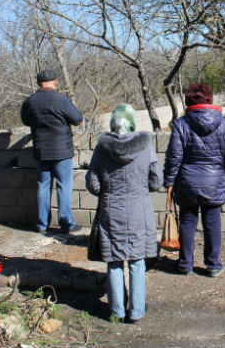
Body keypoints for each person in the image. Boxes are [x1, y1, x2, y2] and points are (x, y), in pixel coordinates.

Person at [85, 104, 162, 323]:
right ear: (132, 122)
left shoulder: (101, 148)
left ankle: (117, 311)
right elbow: (157, 180)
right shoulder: (145, 146)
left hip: (111, 211)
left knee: (114, 261)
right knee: (137, 261)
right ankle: (136, 311)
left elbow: (93, 183)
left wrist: (108, 190)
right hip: (139, 210)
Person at [163, 83, 225, 277]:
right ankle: (213, 265)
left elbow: (174, 157)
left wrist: (169, 182)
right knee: (212, 223)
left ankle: (185, 264)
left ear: (188, 101)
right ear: (209, 100)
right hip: (214, 182)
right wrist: (223, 169)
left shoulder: (181, 124)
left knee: (187, 222)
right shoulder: (224, 123)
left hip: (187, 183)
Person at [21, 69, 83, 233]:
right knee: (64, 186)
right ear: (55, 81)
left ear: (38, 83)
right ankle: (66, 224)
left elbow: (26, 120)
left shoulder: (31, 101)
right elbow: (77, 119)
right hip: (62, 150)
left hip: (41, 149)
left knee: (43, 186)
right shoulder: (61, 100)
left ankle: (42, 224)